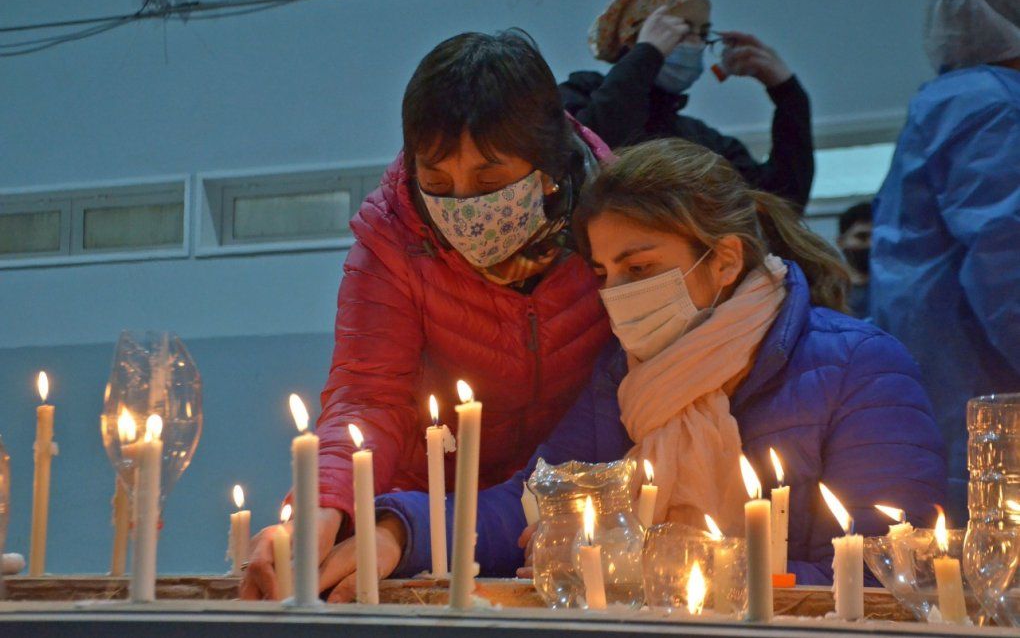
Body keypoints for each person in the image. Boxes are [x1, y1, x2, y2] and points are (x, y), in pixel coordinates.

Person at [315, 139, 945, 599]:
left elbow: (886, 572)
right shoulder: (624, 376)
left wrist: (662, 566)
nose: (616, 293)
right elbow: (533, 501)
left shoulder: (861, 368)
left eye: (639, 269)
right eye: (602, 273)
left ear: (724, 260)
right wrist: (398, 529)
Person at [240, 30, 615, 599]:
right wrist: (323, 507)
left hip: (558, 515)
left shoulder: (613, 226)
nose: (462, 204)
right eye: (437, 181)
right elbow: (367, 397)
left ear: (550, 166)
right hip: (414, 519)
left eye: (489, 181)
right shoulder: (392, 241)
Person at [870, 0, 1020, 524]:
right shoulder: (994, 106)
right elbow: (1007, 265)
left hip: (949, 394)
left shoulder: (956, 98)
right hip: (987, 400)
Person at [560, 0, 814, 210]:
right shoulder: (580, 94)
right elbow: (591, 155)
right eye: (679, 28)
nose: (694, 43)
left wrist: (788, 94)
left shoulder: (702, 141)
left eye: (702, 33)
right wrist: (646, 55)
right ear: (633, 35)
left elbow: (782, 206)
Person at [837, 202, 873, 318]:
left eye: (877, 236)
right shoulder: (829, 290)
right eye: (862, 237)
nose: (871, 244)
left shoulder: (896, 290)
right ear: (841, 241)